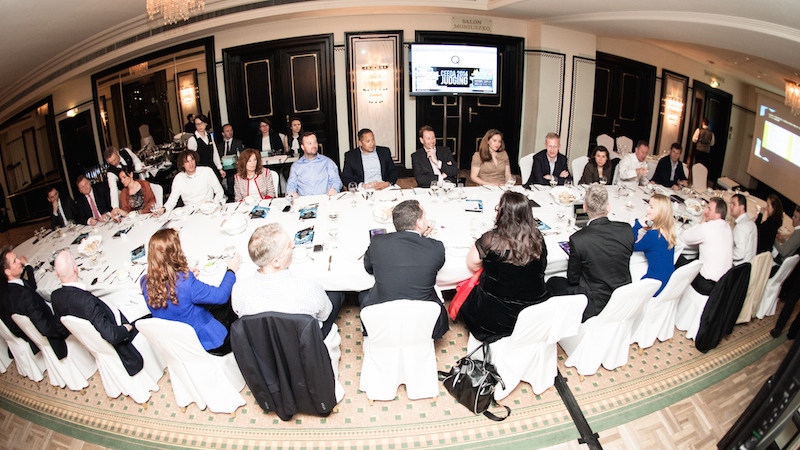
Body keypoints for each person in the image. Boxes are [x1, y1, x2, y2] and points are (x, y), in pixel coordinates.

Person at [459, 191, 550, 341]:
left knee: (466, 300)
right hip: (532, 315)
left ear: (502, 214)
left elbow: (472, 264)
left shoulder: (491, 240)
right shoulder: (538, 238)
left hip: (495, 319)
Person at [231, 223, 343, 338]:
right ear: (276, 262)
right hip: (306, 343)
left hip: (262, 343)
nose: (293, 244)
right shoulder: (309, 288)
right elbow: (324, 315)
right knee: (337, 294)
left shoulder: (238, 289)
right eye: (288, 245)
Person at [141, 228, 240, 355]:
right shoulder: (185, 282)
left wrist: (181, 274)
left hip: (177, 345)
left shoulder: (144, 282)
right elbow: (221, 296)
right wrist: (231, 270)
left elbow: (169, 288)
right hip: (209, 343)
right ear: (174, 253)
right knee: (231, 299)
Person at [360, 200, 448, 339]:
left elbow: (369, 268)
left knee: (363, 294)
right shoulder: (436, 248)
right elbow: (435, 265)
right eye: (425, 217)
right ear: (419, 223)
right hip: (425, 321)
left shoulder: (378, 242)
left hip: (382, 319)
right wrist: (424, 238)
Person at [51, 250, 146, 376]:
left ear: (57, 274)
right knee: (143, 307)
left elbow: (61, 329)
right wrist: (125, 328)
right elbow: (112, 336)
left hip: (96, 338)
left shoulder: (55, 296)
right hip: (118, 333)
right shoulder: (87, 301)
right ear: (75, 268)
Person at [546, 185, 633, 321]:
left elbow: (573, 279)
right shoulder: (626, 229)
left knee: (552, 282)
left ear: (585, 208)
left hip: (594, 304)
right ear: (608, 207)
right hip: (623, 300)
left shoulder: (579, 239)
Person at [0, 246, 69, 359]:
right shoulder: (24, 296)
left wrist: (28, 266)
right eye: (14, 261)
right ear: (7, 271)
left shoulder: (12, 289)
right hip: (54, 340)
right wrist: (64, 327)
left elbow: (31, 286)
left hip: (36, 334)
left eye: (17, 258)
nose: (19, 261)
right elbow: (45, 328)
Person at [678, 197, 733, 295]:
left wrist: (702, 222)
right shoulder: (728, 227)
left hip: (705, 284)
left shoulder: (708, 227)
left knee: (676, 255)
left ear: (718, 215)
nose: (705, 211)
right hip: (722, 285)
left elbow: (684, 237)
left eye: (709, 209)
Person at [157, 150, 225, 215]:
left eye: (192, 160)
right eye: (187, 162)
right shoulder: (179, 178)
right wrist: (164, 209)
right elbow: (172, 199)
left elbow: (219, 191)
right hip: (189, 212)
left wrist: (214, 204)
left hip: (207, 209)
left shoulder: (206, 171)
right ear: (182, 164)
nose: (191, 164)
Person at [632, 194, 676, 295]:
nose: (647, 209)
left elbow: (631, 245)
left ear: (660, 212)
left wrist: (636, 226)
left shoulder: (653, 235)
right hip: (667, 284)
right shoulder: (669, 232)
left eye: (651, 207)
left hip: (652, 287)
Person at [286, 132, 342, 197]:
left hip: (324, 200)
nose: (314, 146)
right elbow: (291, 185)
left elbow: (336, 181)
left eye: (315, 142)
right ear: (302, 147)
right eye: (309, 143)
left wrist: (334, 189)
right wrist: (292, 193)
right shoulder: (296, 166)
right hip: (304, 201)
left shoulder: (327, 162)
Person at [187, 114, 225, 180]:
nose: (199, 126)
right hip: (200, 170)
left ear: (205, 124)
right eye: (197, 124)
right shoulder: (192, 139)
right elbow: (190, 158)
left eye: (201, 123)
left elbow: (215, 153)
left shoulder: (209, 136)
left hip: (211, 167)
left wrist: (220, 168)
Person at [217, 123, 246, 198]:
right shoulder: (219, 146)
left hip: (234, 169)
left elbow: (242, 156)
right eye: (227, 131)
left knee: (231, 179)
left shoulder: (238, 143)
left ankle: (231, 197)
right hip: (223, 169)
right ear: (223, 133)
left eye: (231, 130)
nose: (230, 132)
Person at [730, 193, 757, 265]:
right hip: (749, 265)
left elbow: (739, 254)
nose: (730, 206)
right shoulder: (751, 223)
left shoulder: (740, 227)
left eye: (734, 204)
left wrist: (725, 253)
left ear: (741, 207)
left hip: (738, 267)